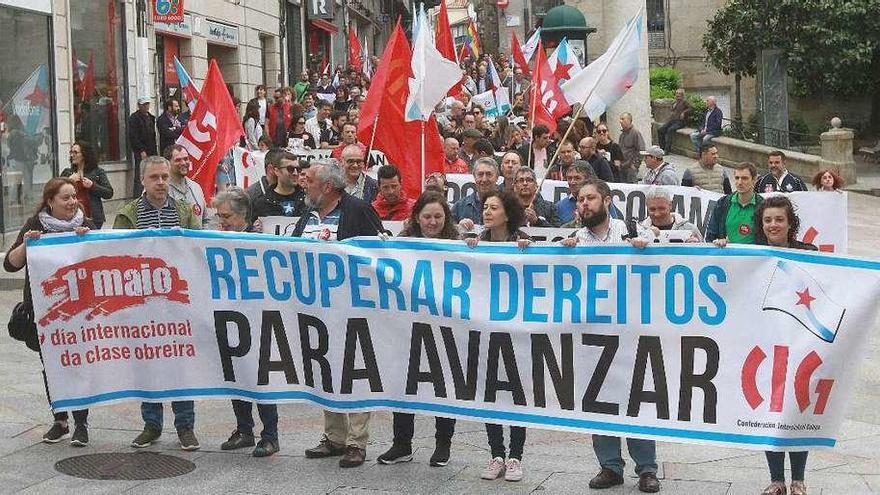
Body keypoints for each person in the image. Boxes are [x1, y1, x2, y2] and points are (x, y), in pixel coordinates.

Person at [557, 179, 659, 493]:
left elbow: (664, 258)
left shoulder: (631, 231)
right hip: (593, 333)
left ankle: (647, 469)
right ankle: (610, 466)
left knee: (636, 399)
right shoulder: (575, 238)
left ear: (606, 200)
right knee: (598, 398)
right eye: (580, 199)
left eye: (590, 198)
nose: (584, 204)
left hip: (630, 333)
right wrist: (561, 252)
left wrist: (646, 247)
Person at [295, 160, 382, 467]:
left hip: (351, 308)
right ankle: (334, 437)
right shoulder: (307, 213)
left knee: (356, 371)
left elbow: (378, 254)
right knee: (324, 369)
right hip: (316, 308)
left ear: (328, 187)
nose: (305, 186)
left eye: (311, 182)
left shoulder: (357, 210)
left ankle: (357, 442)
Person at [112, 156, 200, 449]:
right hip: (142, 304)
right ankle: (151, 424)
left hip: (178, 303)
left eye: (164, 176)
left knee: (179, 365)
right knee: (147, 364)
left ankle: (185, 426)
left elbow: (197, 252)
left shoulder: (185, 212)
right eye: (154, 178)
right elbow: (116, 258)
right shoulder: (128, 215)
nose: (161, 182)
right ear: (143, 181)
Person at [4, 177, 95, 446]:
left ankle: (81, 422)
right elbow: (10, 264)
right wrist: (27, 244)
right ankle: (60, 420)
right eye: (65, 198)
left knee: (77, 365)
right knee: (52, 366)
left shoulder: (85, 225)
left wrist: (87, 241)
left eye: (73, 196)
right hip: (44, 313)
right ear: (50, 202)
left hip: (78, 311)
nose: (72, 202)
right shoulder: (35, 225)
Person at [377, 190, 460, 467]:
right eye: (427, 216)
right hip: (408, 327)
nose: (433, 222)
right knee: (403, 384)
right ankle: (402, 443)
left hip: (446, 327)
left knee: (443, 386)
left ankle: (443, 444)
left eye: (438, 216)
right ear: (416, 218)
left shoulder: (457, 243)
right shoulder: (403, 244)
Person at [463, 189, 531, 482]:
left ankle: (515, 455)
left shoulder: (523, 241)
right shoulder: (475, 243)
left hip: (516, 333)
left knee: (516, 394)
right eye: (485, 207)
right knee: (489, 392)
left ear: (507, 212)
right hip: (485, 331)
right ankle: (496, 454)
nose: (486, 212)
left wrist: (531, 252)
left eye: (493, 207)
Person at [210, 187, 280, 457]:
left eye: (226, 216)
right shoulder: (216, 240)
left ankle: (270, 435)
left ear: (243, 216)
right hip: (228, 317)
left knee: (260, 379)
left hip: (258, 319)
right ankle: (244, 429)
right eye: (219, 216)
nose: (221, 221)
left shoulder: (258, 242)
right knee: (235, 376)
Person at [753, 195, 815, 495]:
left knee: (796, 410)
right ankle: (777, 480)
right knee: (771, 413)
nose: (773, 225)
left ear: (790, 223)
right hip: (764, 347)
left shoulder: (810, 253)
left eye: (779, 219)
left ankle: (798, 480)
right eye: (768, 220)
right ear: (761, 224)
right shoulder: (749, 255)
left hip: (800, 344)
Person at [60, 141, 114, 229]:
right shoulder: (67, 172)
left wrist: (92, 186)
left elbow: (109, 193)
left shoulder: (98, 172)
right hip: (70, 217)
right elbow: (55, 191)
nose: (72, 155)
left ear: (85, 154)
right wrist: (69, 180)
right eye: (71, 152)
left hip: (93, 217)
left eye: (75, 152)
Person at [706, 162, 763, 245]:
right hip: (726, 256)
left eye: (744, 178)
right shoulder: (722, 203)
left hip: (753, 256)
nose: (739, 182)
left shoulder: (763, 206)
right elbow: (711, 235)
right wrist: (718, 241)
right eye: (737, 178)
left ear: (754, 180)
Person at [249, 151, 306, 222]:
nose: (295, 173)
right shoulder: (261, 202)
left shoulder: (307, 200)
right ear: (276, 171)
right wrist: (254, 228)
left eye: (298, 169)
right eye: (290, 169)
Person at [165, 145, 208, 227]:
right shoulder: (160, 189)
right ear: (167, 163)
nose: (183, 163)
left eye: (186, 159)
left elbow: (205, 219)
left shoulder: (196, 187)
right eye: (178, 160)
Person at [453, 157, 500, 228]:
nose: (484, 179)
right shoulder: (459, 206)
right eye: (480, 174)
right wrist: (458, 227)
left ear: (497, 177)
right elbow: (448, 233)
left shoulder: (507, 205)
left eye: (489, 174)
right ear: (474, 177)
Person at [128, 97, 157, 197]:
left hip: (151, 149)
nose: (146, 107)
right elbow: (133, 136)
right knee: (140, 173)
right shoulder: (134, 118)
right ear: (139, 106)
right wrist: (141, 150)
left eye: (147, 104)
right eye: (144, 105)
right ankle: (137, 197)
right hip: (141, 150)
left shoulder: (151, 117)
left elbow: (153, 136)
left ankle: (150, 193)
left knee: (152, 172)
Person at [618, 112, 646, 183]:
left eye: (622, 119)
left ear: (629, 120)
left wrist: (635, 165)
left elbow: (642, 150)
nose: (620, 121)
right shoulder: (622, 135)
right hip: (622, 167)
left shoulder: (635, 133)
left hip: (631, 167)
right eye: (620, 119)